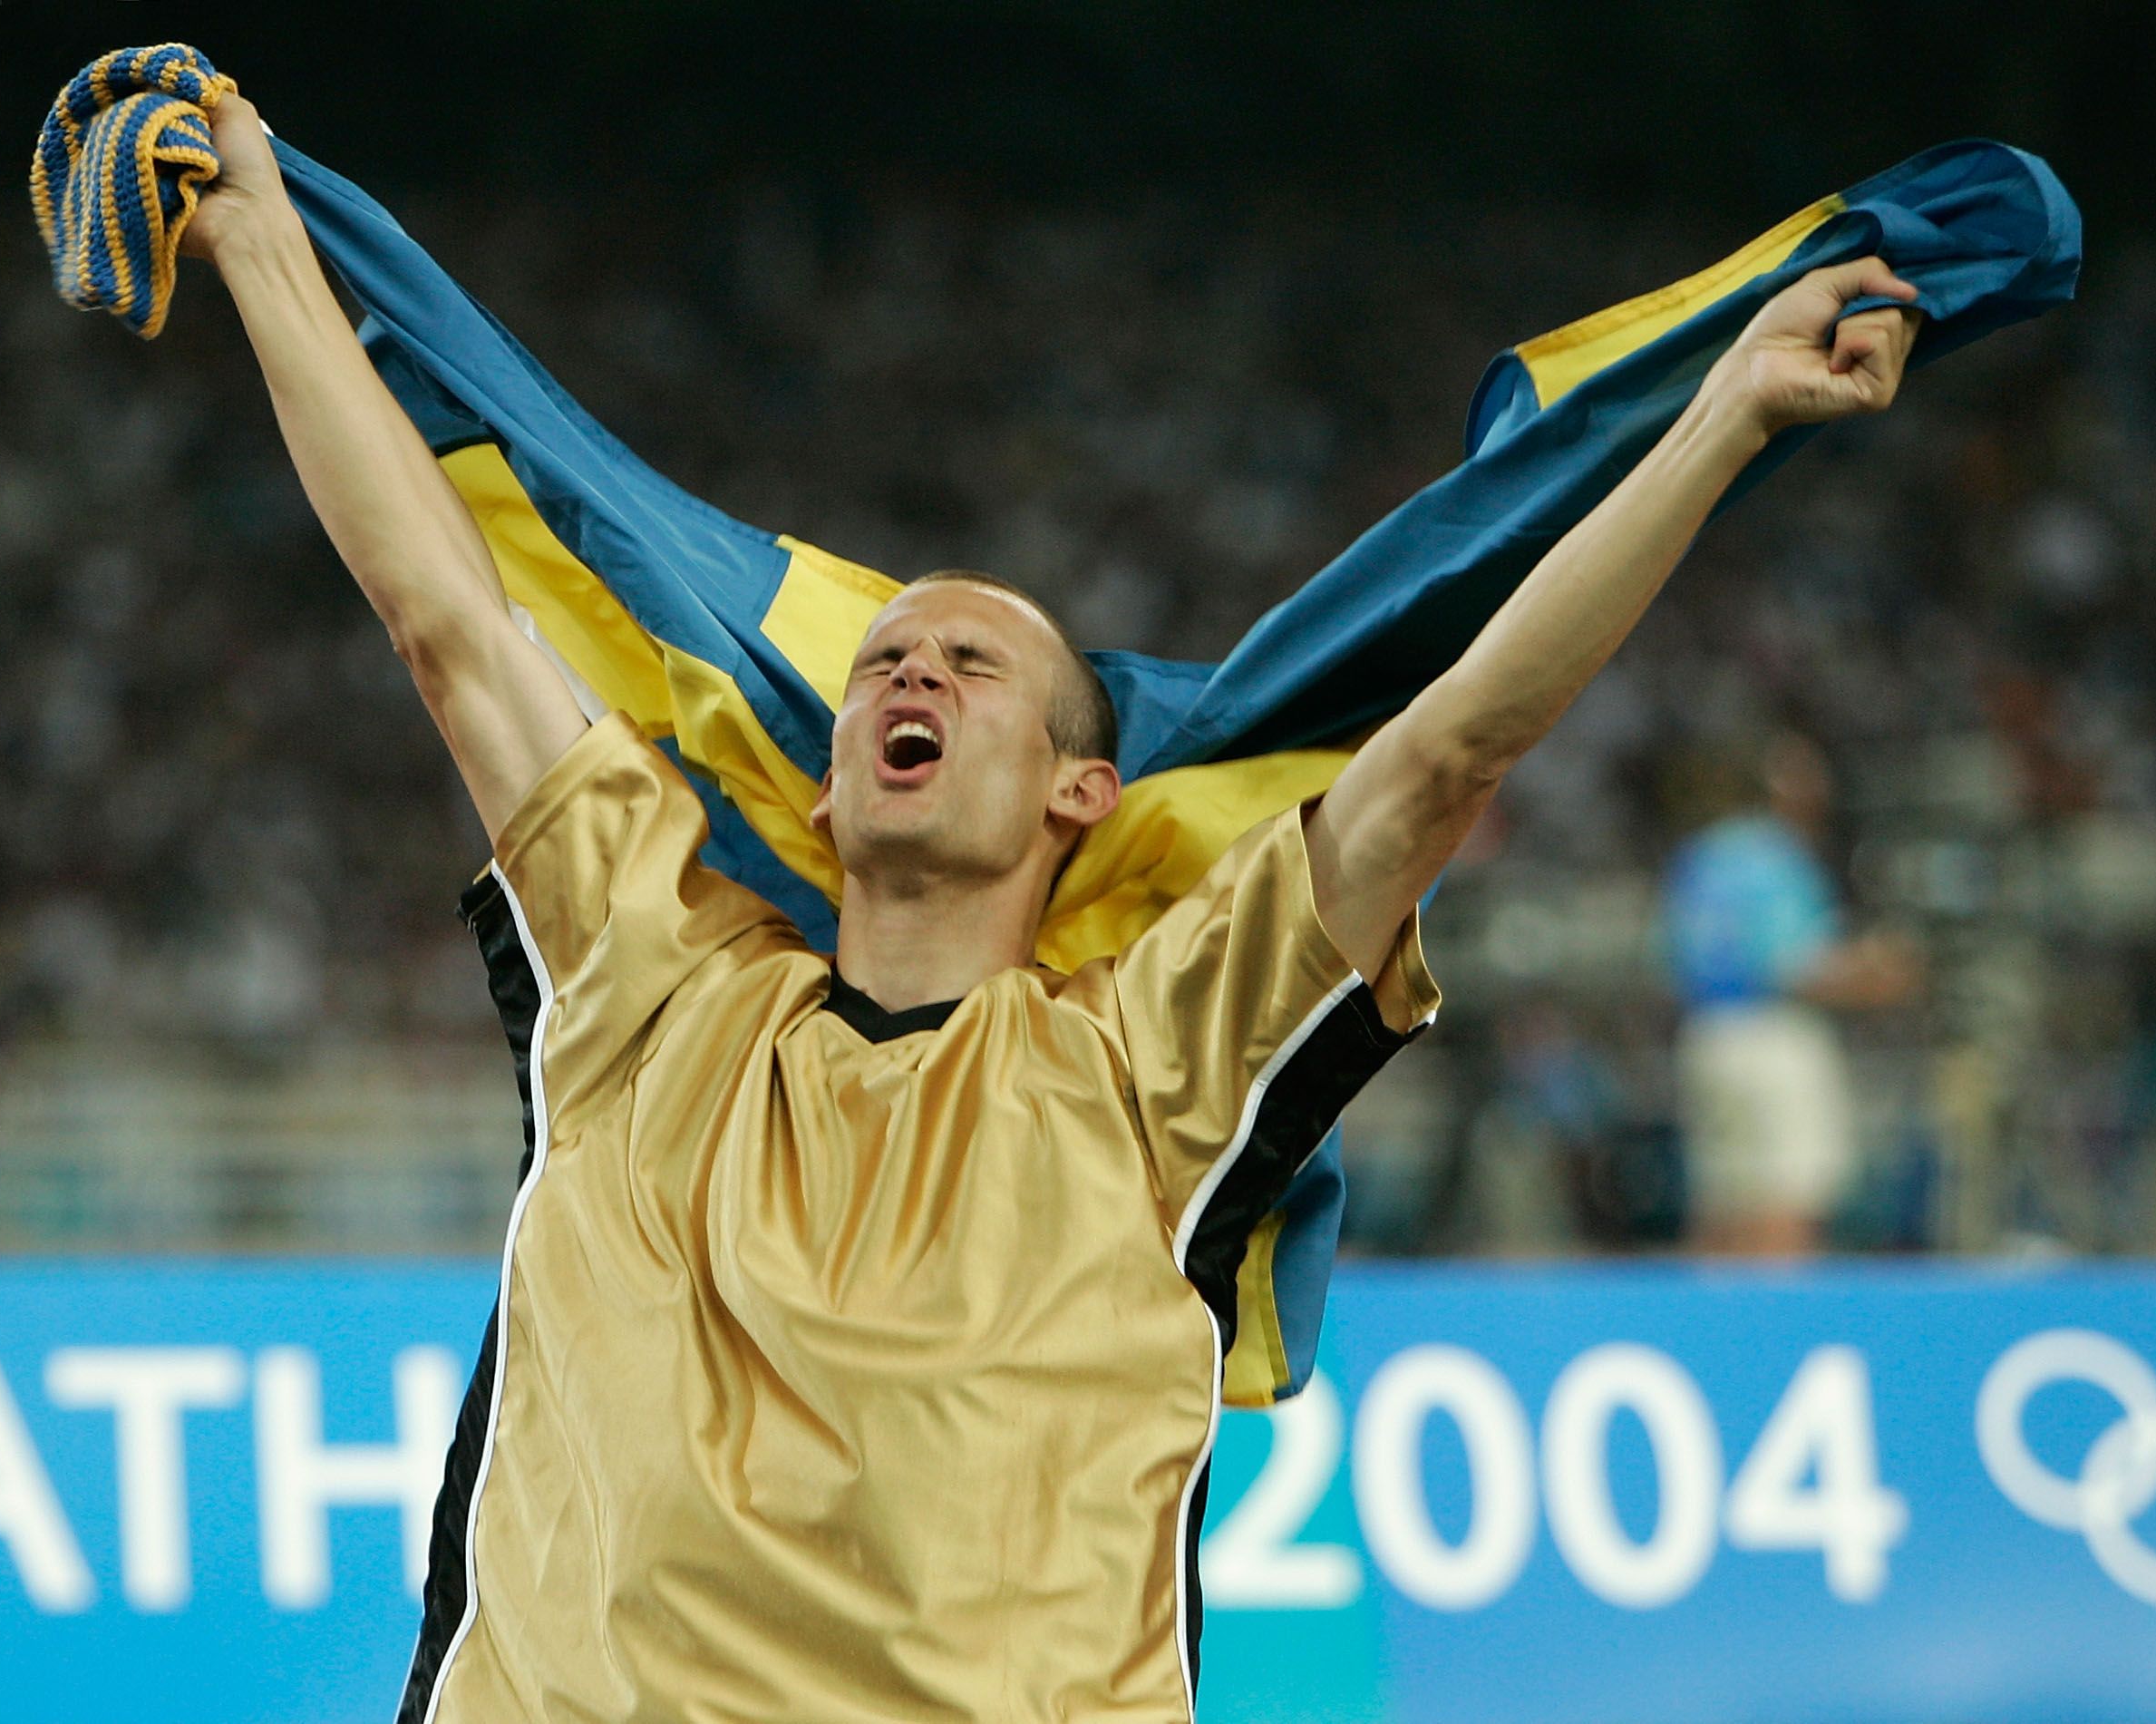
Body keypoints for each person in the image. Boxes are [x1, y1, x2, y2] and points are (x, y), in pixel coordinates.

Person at [175, 85, 1921, 1724]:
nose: (903, 673)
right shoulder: (647, 988)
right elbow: (453, 623)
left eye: (968, 660)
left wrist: (1725, 418)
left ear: (1083, 791)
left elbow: (1448, 747)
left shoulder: (1155, 1071)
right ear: (833, 765)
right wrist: (259, 238)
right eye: (879, 662)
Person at [1660, 731, 1922, 1253]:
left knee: (1721, 1205)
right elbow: (1796, 968)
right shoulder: (1777, 858)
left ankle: (1701, 1331)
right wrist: (1878, 976)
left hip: (1707, 1036)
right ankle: (1778, 1331)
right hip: (1772, 1038)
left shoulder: (1702, 855)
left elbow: (1671, 958)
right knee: (1786, 1199)